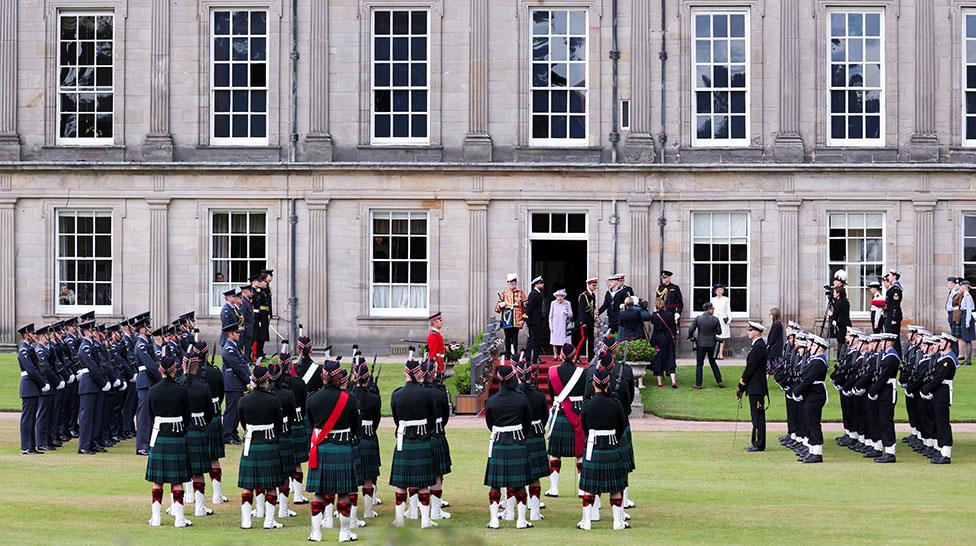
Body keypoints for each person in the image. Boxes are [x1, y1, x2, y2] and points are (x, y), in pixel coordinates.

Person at [306, 360, 362, 542]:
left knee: (319, 493)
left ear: (323, 377)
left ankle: (316, 533)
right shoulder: (349, 399)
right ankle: (344, 534)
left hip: (321, 449)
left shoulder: (312, 398)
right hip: (343, 449)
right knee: (344, 493)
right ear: (339, 378)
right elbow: (356, 426)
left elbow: (311, 423)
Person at [389, 353, 438, 529]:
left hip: (404, 439)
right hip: (422, 439)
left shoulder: (397, 395)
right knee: (423, 483)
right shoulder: (426, 393)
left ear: (405, 374)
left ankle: (400, 520)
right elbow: (432, 417)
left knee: (401, 483)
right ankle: (425, 521)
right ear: (418, 373)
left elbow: (396, 418)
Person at [577, 368, 629, 531]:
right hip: (612, 447)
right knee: (616, 488)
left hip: (593, 447)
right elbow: (622, 427)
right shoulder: (615, 404)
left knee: (589, 488)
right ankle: (618, 522)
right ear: (608, 384)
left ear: (594, 384)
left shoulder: (587, 405)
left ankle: (586, 522)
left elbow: (584, 427)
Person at [145, 353, 193, 528]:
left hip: (159, 436)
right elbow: (187, 416)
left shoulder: (153, 390)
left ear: (160, 370)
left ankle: (156, 518)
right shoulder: (181, 390)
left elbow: (150, 415)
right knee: (177, 480)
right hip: (176, 435)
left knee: (157, 480)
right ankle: (179, 519)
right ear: (175, 370)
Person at [484, 364, 533, 530]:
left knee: (495, 484)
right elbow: (527, 422)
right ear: (512, 378)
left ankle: (494, 520)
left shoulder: (491, 401)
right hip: (517, 442)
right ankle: (520, 520)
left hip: (498, 443)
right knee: (519, 483)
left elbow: (490, 424)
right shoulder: (521, 398)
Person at [238, 364, 285, 530]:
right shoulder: (273, 400)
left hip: (251, 444)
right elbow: (278, 425)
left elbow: (243, 423)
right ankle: (269, 521)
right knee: (271, 485)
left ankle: (246, 521)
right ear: (266, 379)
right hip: (268, 443)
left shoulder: (243, 400)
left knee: (248, 486)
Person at [545, 343, 586, 498]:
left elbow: (551, 392)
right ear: (575, 355)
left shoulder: (552, 372)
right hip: (577, 413)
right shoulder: (583, 372)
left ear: (561, 356)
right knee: (581, 453)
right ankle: (582, 488)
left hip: (560, 412)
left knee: (555, 453)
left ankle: (554, 488)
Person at [182, 345, 215, 516]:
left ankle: (176, 506)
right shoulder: (202, 386)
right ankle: (199, 507)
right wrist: (202, 423)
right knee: (198, 472)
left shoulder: (179, 385)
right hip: (198, 428)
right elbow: (210, 412)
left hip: (181, 429)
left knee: (179, 472)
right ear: (196, 367)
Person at [515, 357, 549, 522]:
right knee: (535, 476)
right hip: (535, 434)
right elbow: (545, 416)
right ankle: (535, 511)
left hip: (518, 436)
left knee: (516, 476)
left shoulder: (516, 396)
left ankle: (510, 511)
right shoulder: (538, 395)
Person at [349, 358, 381, 520]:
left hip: (353, 439)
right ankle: (368, 512)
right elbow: (377, 420)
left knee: (352, 479)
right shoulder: (374, 397)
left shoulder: (348, 396)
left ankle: (352, 513)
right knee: (369, 477)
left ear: (355, 378)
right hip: (368, 437)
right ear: (368, 379)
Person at [790, 335, 830, 463]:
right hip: (811, 394)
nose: (810, 347)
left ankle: (817, 452)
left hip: (815, 395)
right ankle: (812, 450)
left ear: (819, 348)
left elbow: (808, 379)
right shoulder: (814, 360)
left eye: (813, 345)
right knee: (810, 422)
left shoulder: (819, 361)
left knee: (813, 423)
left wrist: (797, 391)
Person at [920, 333, 958, 464]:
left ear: (949, 344)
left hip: (942, 393)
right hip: (937, 392)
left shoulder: (949, 360)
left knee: (942, 423)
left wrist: (926, 389)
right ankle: (941, 450)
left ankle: (946, 453)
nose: (939, 344)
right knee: (937, 422)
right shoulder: (943, 358)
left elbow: (938, 378)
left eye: (942, 342)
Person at [868, 333, 900, 463]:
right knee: (881, 420)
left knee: (886, 421)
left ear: (889, 342)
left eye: (883, 341)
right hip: (883, 390)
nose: (880, 343)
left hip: (887, 391)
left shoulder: (892, 357)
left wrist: (873, 391)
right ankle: (883, 447)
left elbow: (883, 377)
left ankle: (890, 451)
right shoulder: (885, 355)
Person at [737, 322, 768, 452]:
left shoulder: (759, 346)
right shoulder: (756, 346)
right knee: (755, 415)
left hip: (757, 386)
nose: (748, 332)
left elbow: (750, 368)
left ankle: (759, 443)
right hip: (754, 386)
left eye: (751, 330)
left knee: (758, 416)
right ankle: (755, 442)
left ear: (757, 332)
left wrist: (741, 385)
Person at [18, 324, 47, 455]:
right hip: (29, 385)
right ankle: (26, 447)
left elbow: (38, 367)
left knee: (31, 417)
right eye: (33, 333)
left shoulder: (30, 348)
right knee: (28, 418)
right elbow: (31, 370)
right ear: (26, 335)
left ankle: (31, 446)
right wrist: (42, 383)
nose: (35, 336)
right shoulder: (23, 349)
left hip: (33, 386)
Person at [134, 317, 161, 456]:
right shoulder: (141, 345)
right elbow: (150, 364)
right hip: (145, 381)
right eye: (148, 326)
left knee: (150, 414)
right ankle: (142, 446)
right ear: (143, 329)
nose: (151, 328)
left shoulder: (147, 343)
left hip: (149, 381)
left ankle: (149, 443)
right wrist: (161, 377)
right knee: (144, 415)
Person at [222, 324, 251, 445]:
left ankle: (233, 432)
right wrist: (247, 380)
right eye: (237, 332)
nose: (239, 334)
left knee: (237, 410)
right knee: (232, 409)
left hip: (237, 383)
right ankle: (227, 435)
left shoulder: (235, 347)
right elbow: (237, 367)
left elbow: (243, 363)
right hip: (232, 383)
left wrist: (250, 376)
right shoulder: (228, 348)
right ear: (230, 334)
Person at [687, 302, 725, 389]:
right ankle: (719, 381)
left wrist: (690, 336)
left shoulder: (698, 318)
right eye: (713, 308)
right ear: (709, 309)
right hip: (712, 343)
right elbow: (719, 332)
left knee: (699, 364)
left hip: (701, 343)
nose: (714, 310)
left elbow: (691, 329)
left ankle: (698, 384)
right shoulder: (715, 319)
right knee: (713, 362)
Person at [496, 273, 528, 358]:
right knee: (507, 337)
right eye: (509, 282)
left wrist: (524, 319)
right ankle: (507, 353)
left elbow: (527, 306)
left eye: (512, 282)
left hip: (517, 319)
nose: (511, 284)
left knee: (515, 337)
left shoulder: (521, 293)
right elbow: (497, 307)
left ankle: (514, 353)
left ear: (516, 283)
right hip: (507, 318)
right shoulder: (503, 294)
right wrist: (500, 305)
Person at [649, 299, 678, 388]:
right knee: (670, 358)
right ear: (664, 305)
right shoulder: (670, 314)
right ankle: (673, 381)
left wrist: (654, 312)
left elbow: (653, 322)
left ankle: (660, 382)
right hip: (668, 338)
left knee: (658, 359)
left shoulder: (654, 316)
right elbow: (673, 327)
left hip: (657, 338)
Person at [655, 271, 684, 340]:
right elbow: (657, 301)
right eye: (662, 278)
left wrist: (678, 313)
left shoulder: (675, 288)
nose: (663, 279)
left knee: (671, 333)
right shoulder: (659, 288)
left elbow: (680, 302)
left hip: (671, 313)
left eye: (665, 278)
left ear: (669, 278)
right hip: (662, 314)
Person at [576, 277, 599, 360]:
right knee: (583, 339)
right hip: (584, 321)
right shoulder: (583, 296)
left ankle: (591, 358)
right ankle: (577, 357)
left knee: (591, 340)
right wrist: (583, 322)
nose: (595, 287)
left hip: (590, 321)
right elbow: (581, 310)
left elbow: (592, 308)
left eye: (595, 285)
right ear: (588, 284)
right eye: (593, 285)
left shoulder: (593, 295)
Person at [524, 276, 545, 364]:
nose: (543, 285)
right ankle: (534, 358)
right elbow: (529, 307)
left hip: (536, 320)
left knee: (532, 340)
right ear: (536, 284)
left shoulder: (538, 293)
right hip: (534, 321)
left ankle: (529, 357)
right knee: (534, 340)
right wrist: (524, 318)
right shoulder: (533, 294)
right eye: (541, 283)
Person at [883, 270, 904, 354]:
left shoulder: (896, 289)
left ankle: (897, 356)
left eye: (890, 275)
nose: (888, 277)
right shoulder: (893, 288)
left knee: (894, 337)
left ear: (894, 276)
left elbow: (895, 304)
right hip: (890, 314)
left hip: (893, 315)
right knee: (890, 336)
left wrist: (894, 317)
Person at [548, 289, 573, 359]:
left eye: (561, 297)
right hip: (555, 324)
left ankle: (562, 354)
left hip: (563, 324)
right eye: (558, 297)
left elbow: (571, 315)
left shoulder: (567, 303)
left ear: (563, 297)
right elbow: (550, 316)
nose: (559, 298)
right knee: (554, 340)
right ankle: (555, 355)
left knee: (563, 341)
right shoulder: (553, 303)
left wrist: (567, 313)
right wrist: (551, 326)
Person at [829, 285, 852, 359]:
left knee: (841, 343)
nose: (833, 294)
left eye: (835, 292)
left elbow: (835, 316)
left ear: (839, 293)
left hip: (841, 325)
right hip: (847, 324)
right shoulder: (846, 302)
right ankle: (845, 357)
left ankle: (840, 358)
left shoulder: (837, 303)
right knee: (846, 342)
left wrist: (831, 314)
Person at [710, 284, 732, 359]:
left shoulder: (726, 299)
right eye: (717, 290)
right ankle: (714, 353)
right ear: (715, 291)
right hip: (714, 319)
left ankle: (721, 353)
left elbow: (728, 310)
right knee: (715, 336)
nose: (719, 291)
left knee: (722, 337)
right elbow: (711, 310)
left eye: (720, 290)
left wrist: (729, 319)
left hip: (723, 319)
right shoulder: (712, 299)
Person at [956, 281, 974, 365]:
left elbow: (969, 310)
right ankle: (967, 359)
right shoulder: (964, 296)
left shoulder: (967, 296)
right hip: (964, 316)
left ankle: (968, 360)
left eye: (961, 286)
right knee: (966, 339)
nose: (960, 288)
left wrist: (967, 322)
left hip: (967, 317)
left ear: (965, 286)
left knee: (968, 339)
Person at [239, 284, 256, 361]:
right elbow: (241, 317)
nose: (252, 293)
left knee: (248, 349)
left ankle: (247, 361)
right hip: (245, 330)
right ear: (245, 292)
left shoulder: (247, 302)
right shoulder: (243, 302)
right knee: (245, 350)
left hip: (249, 329)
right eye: (251, 291)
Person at [766, 308, 784, 375]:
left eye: (770, 314)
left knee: (772, 368)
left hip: (774, 349)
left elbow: (773, 337)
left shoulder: (777, 324)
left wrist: (768, 345)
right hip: (775, 348)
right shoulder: (776, 323)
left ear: (774, 315)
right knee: (771, 368)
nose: (770, 316)